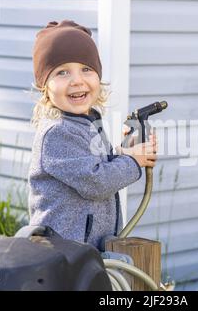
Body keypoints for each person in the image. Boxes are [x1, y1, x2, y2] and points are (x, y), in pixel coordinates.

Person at [27, 20, 158, 250]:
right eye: (62, 72)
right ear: (44, 86)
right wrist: (132, 161)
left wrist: (122, 152)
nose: (77, 80)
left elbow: (95, 165)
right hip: (62, 255)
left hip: (86, 253)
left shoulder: (87, 121)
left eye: (86, 69)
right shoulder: (57, 132)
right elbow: (95, 181)